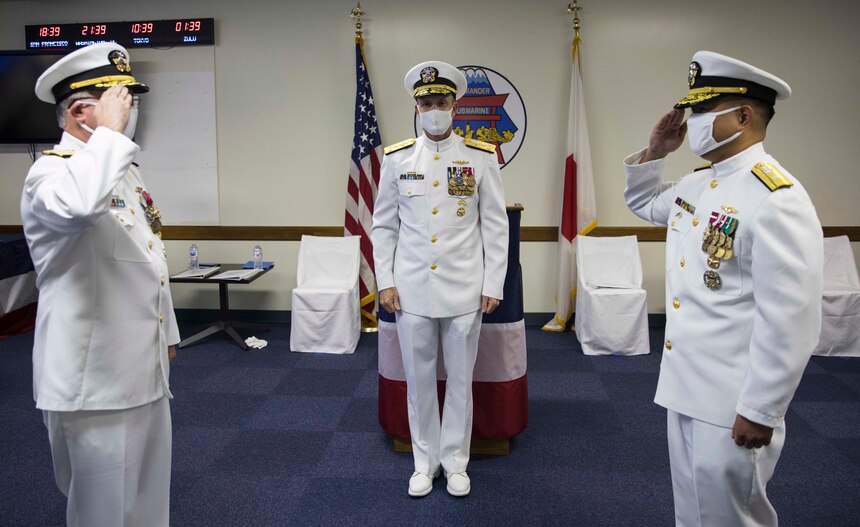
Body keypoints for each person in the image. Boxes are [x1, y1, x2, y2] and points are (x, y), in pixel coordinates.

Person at [623, 51, 823, 526]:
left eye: (701, 111)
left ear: (743, 116)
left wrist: (761, 409)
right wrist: (656, 151)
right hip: (685, 386)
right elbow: (644, 202)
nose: (690, 122)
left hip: (734, 400)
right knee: (692, 512)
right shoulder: (699, 185)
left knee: (731, 517)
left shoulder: (777, 197)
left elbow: (791, 320)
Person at [21, 42, 180, 527]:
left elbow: (150, 258)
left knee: (148, 500)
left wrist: (167, 332)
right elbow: (78, 209)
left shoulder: (123, 173)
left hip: (143, 367)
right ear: (79, 110)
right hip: (94, 381)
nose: (130, 110)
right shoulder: (50, 174)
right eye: (119, 100)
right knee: (103, 511)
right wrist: (109, 136)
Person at [371, 61, 509, 498]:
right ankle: (423, 460)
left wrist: (493, 285)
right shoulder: (397, 160)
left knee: (462, 382)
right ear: (416, 105)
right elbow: (384, 227)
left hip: (466, 289)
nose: (434, 109)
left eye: (442, 102)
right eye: (426, 102)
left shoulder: (480, 157)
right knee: (418, 381)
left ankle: (455, 462)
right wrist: (385, 280)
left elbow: (495, 226)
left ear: (455, 105)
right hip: (410, 290)